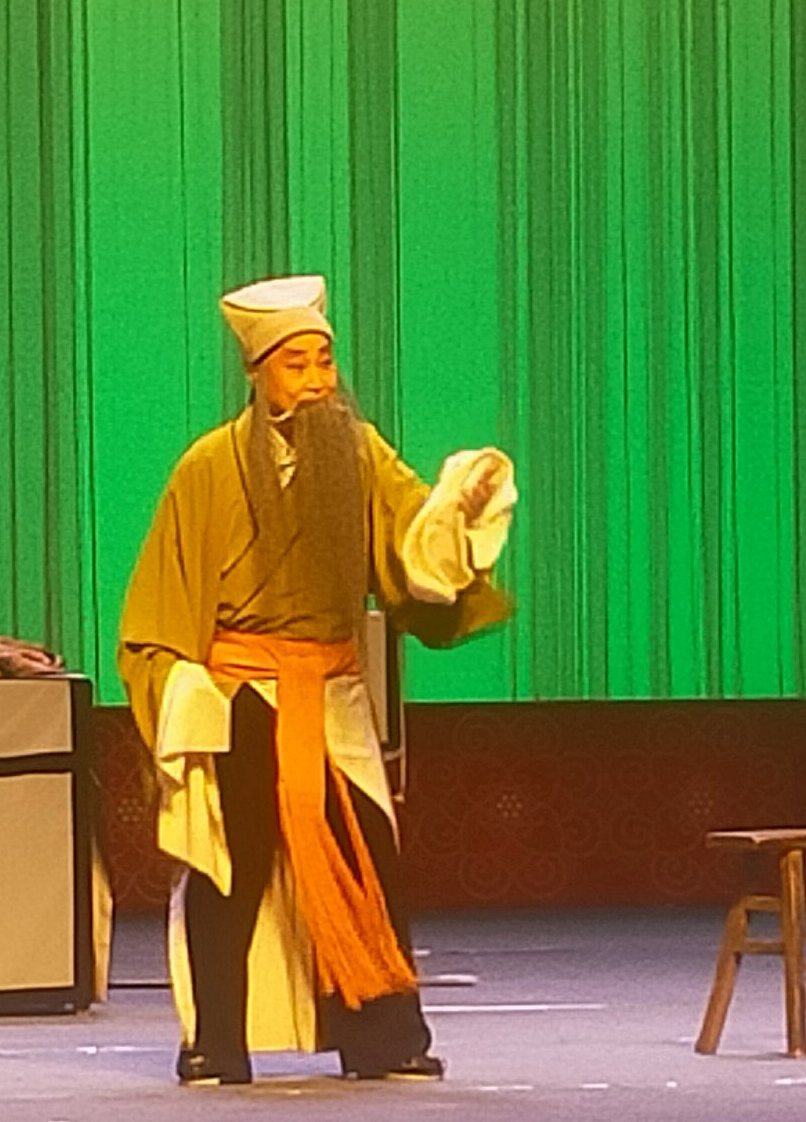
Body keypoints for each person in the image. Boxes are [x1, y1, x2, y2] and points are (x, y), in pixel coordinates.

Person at [117, 274, 516, 1085]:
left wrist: (463, 508)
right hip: (244, 692)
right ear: (258, 372)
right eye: (296, 365)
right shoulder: (208, 468)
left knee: (367, 854)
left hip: (332, 693)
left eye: (324, 362)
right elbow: (163, 600)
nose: (316, 380)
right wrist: (178, 692)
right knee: (233, 865)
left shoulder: (357, 452)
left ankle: (385, 1037)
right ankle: (215, 1041)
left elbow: (415, 537)